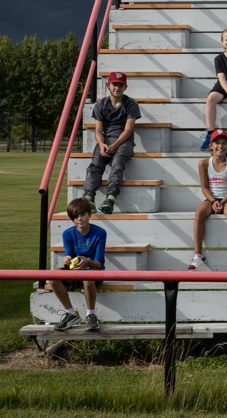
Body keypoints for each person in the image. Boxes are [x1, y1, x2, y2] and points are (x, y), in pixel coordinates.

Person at [82, 71, 140, 214]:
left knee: (117, 163)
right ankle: (89, 197)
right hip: (105, 140)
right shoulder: (101, 104)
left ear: (125, 87)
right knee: (95, 164)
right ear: (108, 85)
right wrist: (102, 145)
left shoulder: (131, 104)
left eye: (121, 85)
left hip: (124, 141)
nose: (117, 88)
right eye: (114, 84)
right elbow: (98, 131)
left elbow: (127, 131)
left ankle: (110, 198)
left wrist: (114, 146)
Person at [190, 129, 227, 272]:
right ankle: (197, 255)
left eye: (224, 143)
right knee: (199, 212)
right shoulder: (203, 163)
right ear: (211, 146)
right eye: (217, 143)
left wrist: (222, 201)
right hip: (211, 198)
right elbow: (204, 188)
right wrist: (214, 201)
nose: (220, 146)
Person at [51, 198, 106, 332]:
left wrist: (87, 261)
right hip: (76, 271)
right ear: (72, 219)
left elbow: (98, 263)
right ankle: (71, 313)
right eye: (75, 217)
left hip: (94, 271)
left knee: (87, 277)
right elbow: (69, 254)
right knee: (52, 276)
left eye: (82, 214)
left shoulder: (100, 233)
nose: (79, 219)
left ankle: (91, 314)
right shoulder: (68, 234)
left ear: (89, 215)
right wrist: (68, 259)